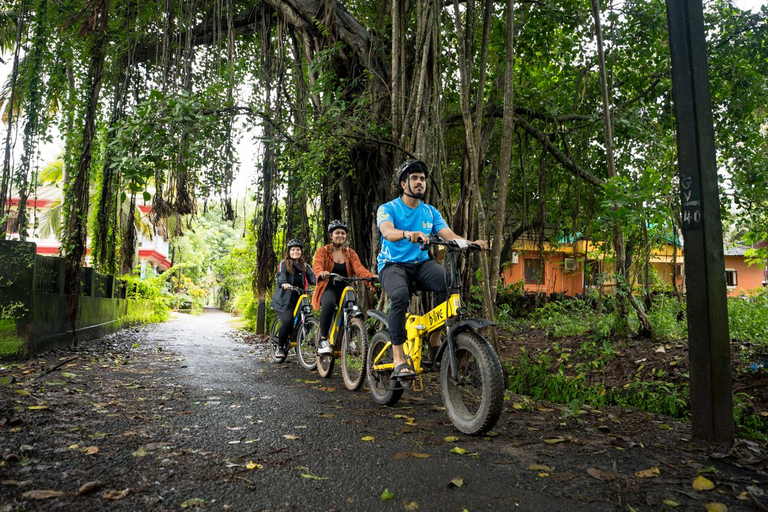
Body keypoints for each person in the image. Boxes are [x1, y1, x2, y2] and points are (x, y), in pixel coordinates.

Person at [376, 159, 488, 378]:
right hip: (393, 265)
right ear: (403, 184)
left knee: (449, 283)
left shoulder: (430, 212)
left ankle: (434, 337)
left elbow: (448, 235)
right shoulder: (388, 208)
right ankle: (398, 358)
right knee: (399, 296)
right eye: (415, 178)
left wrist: (469, 242)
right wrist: (407, 233)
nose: (420, 183)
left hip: (421, 264)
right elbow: (387, 231)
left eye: (423, 179)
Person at [312, 219, 377, 355]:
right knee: (329, 304)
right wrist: (322, 273)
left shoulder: (350, 253)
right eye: (337, 233)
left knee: (352, 309)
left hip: (346, 288)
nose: (340, 235)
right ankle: (323, 340)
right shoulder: (323, 251)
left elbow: (359, 269)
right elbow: (317, 265)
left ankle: (350, 339)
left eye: (343, 233)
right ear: (331, 235)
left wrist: (370, 277)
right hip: (328, 287)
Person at [270, 239, 317, 362]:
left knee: (303, 318)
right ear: (289, 252)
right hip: (284, 299)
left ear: (301, 252)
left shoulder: (305, 266)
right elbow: (281, 276)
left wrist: (320, 283)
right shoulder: (283, 264)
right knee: (287, 321)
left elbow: (313, 278)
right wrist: (284, 283)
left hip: (300, 298)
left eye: (298, 249)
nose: (295, 252)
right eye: (293, 250)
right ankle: (280, 347)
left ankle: (297, 341)